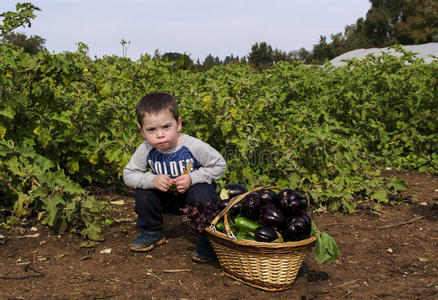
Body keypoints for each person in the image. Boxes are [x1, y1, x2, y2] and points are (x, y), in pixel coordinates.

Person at [123, 92, 226, 263]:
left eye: (166, 127)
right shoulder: (146, 148)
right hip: (165, 197)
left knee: (203, 194)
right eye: (151, 130)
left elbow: (220, 165)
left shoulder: (193, 146)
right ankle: (151, 231)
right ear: (142, 131)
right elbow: (129, 174)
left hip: (191, 196)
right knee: (143, 193)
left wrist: (192, 178)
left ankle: (207, 237)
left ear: (178, 124)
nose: (160, 135)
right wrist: (152, 180)